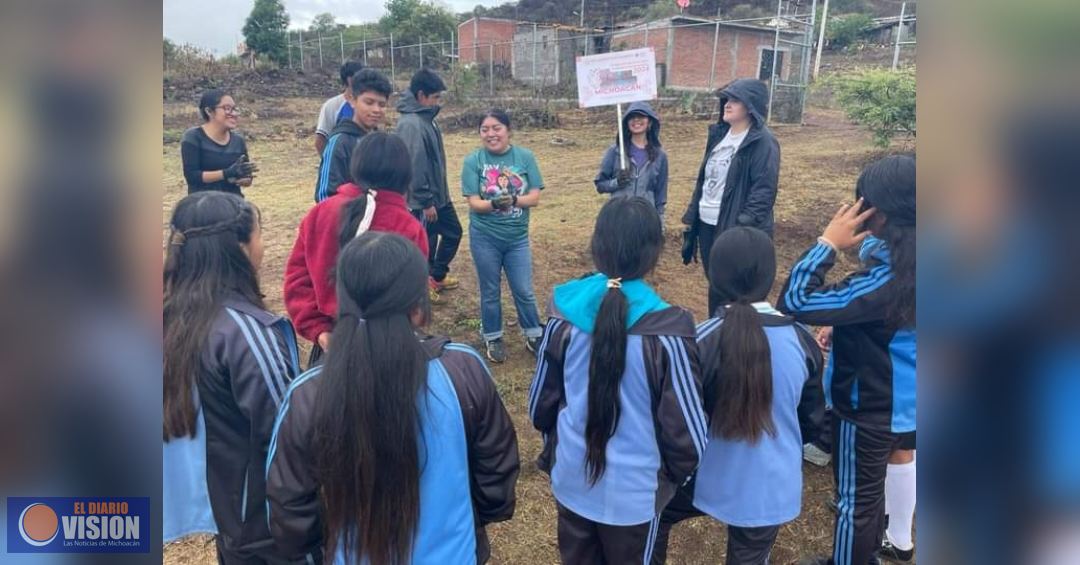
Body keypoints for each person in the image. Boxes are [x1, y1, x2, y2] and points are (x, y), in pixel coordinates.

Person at [267, 231, 520, 564]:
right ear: (417, 307)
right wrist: (480, 517)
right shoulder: (465, 369)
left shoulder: (307, 394)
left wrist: (318, 550)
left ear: (341, 301)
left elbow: (288, 504)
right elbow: (496, 465)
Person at [528, 197, 706, 564]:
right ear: (654, 254)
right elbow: (689, 436)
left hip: (572, 480)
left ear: (596, 246)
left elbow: (539, 406)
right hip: (637, 497)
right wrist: (668, 480)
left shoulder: (563, 316)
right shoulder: (670, 335)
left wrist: (559, 448)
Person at [650, 227, 823, 564]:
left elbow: (676, 417)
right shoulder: (803, 342)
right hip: (771, 487)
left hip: (702, 475)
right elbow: (814, 423)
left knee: (654, 515)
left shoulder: (698, 339)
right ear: (772, 277)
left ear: (714, 278)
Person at [777, 155, 916, 565]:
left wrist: (829, 243)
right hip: (911, 401)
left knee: (854, 504)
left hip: (868, 408)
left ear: (882, 214)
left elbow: (795, 301)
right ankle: (874, 551)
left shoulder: (885, 282)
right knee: (870, 497)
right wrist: (847, 322)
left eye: (863, 206)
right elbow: (879, 261)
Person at [163, 192, 300, 563]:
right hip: (271, 523)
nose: (264, 244)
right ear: (239, 246)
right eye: (259, 233)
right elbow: (290, 432)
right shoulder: (245, 332)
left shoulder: (170, 318)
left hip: (228, 514)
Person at [286, 132, 429, 366]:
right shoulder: (408, 226)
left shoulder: (320, 213)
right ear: (405, 173)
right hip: (391, 348)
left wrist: (320, 331)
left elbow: (297, 280)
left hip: (332, 346)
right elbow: (415, 298)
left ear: (357, 165)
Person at [681, 78, 781, 315]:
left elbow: (764, 190)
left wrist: (742, 226)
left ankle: (735, 337)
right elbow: (704, 179)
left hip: (735, 227)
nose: (728, 103)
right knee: (716, 283)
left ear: (751, 106)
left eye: (736, 99)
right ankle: (716, 331)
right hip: (707, 223)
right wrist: (692, 219)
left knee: (735, 290)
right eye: (727, 98)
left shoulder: (763, 142)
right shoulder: (719, 135)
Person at [461, 110, 545, 363]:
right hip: (485, 237)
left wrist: (515, 199)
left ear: (508, 130)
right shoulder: (473, 161)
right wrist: (495, 204)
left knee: (524, 289)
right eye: (485, 129)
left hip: (517, 238)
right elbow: (474, 202)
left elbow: (535, 197)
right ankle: (493, 336)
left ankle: (533, 334)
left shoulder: (525, 157)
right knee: (490, 290)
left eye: (496, 128)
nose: (491, 134)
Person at [397, 68, 464, 300]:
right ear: (421, 95)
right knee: (426, 242)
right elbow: (414, 165)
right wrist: (425, 201)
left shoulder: (425, 118)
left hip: (438, 196)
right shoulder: (412, 124)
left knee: (444, 235)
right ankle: (424, 286)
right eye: (435, 97)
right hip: (424, 200)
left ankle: (436, 276)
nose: (438, 102)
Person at [314, 68, 392, 202]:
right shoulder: (339, 142)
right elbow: (325, 197)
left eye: (382, 104)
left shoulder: (381, 141)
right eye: (369, 102)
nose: (376, 110)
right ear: (352, 100)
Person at [593, 101, 669, 224]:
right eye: (632, 117)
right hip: (618, 217)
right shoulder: (615, 151)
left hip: (646, 218)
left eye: (641, 116)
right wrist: (616, 182)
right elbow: (600, 185)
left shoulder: (660, 156)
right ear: (626, 123)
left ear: (650, 122)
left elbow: (661, 194)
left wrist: (660, 223)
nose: (636, 120)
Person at [181, 89, 258, 196]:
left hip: (232, 203)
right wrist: (226, 173)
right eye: (227, 109)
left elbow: (246, 178)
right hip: (202, 204)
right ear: (209, 111)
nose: (234, 114)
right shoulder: (194, 137)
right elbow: (192, 176)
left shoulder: (238, 141)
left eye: (234, 109)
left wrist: (245, 178)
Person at [314, 60, 365, 156]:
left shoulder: (368, 105)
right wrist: (330, 161)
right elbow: (320, 141)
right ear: (347, 79)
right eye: (353, 76)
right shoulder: (332, 106)